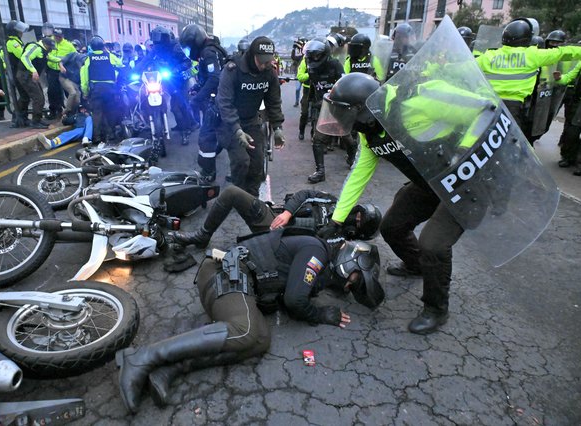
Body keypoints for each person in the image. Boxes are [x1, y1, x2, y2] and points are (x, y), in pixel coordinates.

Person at [116, 229, 384, 412]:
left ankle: (168, 369)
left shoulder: (320, 256)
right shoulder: (317, 250)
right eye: (354, 279)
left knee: (259, 340)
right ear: (350, 262)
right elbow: (295, 301)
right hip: (224, 273)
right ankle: (142, 357)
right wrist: (322, 314)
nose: (349, 286)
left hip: (234, 280)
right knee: (246, 331)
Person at [316, 72, 500, 334]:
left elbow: (487, 109)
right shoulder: (371, 132)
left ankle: (436, 309)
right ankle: (417, 266)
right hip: (432, 182)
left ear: (362, 108)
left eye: (343, 113)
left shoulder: (419, 98)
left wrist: (463, 152)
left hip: (469, 179)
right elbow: (358, 174)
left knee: (433, 244)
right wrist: (336, 220)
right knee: (392, 226)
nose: (340, 119)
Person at [170, 184, 382, 248]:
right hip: (274, 216)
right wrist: (288, 212)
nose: (356, 217)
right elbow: (305, 193)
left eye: (360, 222)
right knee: (232, 192)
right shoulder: (335, 202)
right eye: (359, 213)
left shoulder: (343, 243)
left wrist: (326, 238)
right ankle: (202, 235)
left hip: (282, 240)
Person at [475, 18, 581, 139]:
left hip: (489, 104)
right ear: (527, 39)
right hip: (513, 107)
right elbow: (563, 52)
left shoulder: (489, 55)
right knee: (511, 142)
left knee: (478, 136)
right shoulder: (532, 55)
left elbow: (463, 66)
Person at [216, 36, 285, 196]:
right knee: (241, 161)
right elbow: (224, 103)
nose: (265, 65)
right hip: (229, 123)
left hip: (252, 120)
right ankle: (238, 195)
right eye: (262, 61)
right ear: (252, 55)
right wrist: (236, 130)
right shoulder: (232, 70)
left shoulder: (269, 73)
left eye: (269, 61)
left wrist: (277, 127)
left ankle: (252, 196)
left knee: (257, 162)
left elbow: (273, 101)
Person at [179, 24, 229, 183]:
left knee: (206, 137)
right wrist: (198, 87)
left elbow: (214, 78)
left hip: (217, 100)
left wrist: (197, 98)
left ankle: (208, 172)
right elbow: (209, 77)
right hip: (224, 98)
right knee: (220, 133)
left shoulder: (208, 53)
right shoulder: (213, 49)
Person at [302, 38, 351, 183]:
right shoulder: (311, 68)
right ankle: (320, 171)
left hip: (337, 106)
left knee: (345, 135)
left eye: (316, 55)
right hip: (322, 106)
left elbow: (344, 84)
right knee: (317, 140)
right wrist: (313, 101)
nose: (312, 58)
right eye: (310, 55)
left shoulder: (335, 65)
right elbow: (313, 86)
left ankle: (352, 157)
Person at [143, 26, 197, 136]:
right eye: (156, 40)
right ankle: (185, 125)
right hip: (168, 79)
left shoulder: (177, 48)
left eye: (160, 40)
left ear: (166, 39)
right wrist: (131, 72)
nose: (158, 43)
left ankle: (188, 127)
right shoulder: (156, 49)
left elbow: (188, 62)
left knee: (179, 105)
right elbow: (146, 60)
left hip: (181, 79)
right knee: (174, 106)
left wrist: (177, 69)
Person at [80, 35, 122, 144]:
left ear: (91, 47)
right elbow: (120, 65)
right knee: (111, 111)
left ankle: (97, 137)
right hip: (110, 89)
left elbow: (84, 78)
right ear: (103, 46)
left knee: (97, 113)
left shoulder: (88, 59)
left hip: (96, 89)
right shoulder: (110, 56)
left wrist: (85, 92)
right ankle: (111, 134)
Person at [18, 37, 59, 129]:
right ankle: (35, 121)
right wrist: (32, 70)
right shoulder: (35, 47)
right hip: (26, 74)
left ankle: (37, 119)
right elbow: (25, 57)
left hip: (30, 75)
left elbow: (49, 57)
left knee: (40, 97)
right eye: (50, 47)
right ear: (45, 45)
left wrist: (60, 61)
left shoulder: (43, 50)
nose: (50, 50)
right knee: (38, 97)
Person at [555, 60, 581, 172]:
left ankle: (580, 163)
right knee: (572, 132)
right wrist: (560, 79)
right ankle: (568, 157)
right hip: (578, 103)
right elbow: (569, 77)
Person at [4, 20, 30, 127]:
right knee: (24, 95)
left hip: (18, 71)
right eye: (19, 30)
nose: (22, 32)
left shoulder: (17, 41)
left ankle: (21, 117)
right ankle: (18, 116)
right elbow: (22, 55)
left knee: (25, 95)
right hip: (16, 72)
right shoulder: (12, 43)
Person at [46, 28, 76, 120]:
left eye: (59, 36)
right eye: (56, 36)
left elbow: (75, 57)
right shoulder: (49, 42)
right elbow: (46, 54)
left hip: (64, 72)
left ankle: (71, 110)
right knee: (52, 91)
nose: (57, 38)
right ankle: (54, 110)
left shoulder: (69, 45)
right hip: (52, 70)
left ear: (62, 36)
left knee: (68, 91)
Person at [59, 50, 86, 115]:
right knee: (72, 92)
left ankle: (72, 113)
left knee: (77, 100)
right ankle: (67, 110)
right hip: (65, 78)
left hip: (75, 82)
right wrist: (61, 66)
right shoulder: (73, 55)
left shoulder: (84, 66)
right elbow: (61, 61)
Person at [291, 38, 306, 107]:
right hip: (299, 75)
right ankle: (297, 101)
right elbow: (293, 57)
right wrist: (294, 49)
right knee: (297, 89)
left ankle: (305, 100)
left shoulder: (308, 55)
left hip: (306, 75)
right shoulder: (300, 57)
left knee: (307, 90)